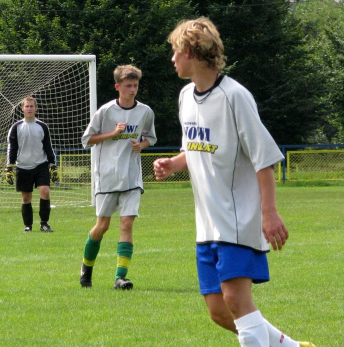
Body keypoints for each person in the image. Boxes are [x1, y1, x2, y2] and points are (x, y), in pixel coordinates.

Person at [153, 17, 314, 347]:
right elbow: (194, 150)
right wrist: (173, 163)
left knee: (237, 302)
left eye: (175, 50)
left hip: (239, 219)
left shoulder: (234, 96)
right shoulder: (185, 97)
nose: (172, 58)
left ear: (192, 52)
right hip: (207, 224)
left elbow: (264, 158)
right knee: (218, 311)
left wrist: (269, 214)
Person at [79, 65, 157, 290]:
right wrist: (113, 133)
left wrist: (141, 144)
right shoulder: (105, 112)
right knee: (101, 226)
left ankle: (120, 278)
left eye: (136, 85)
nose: (133, 90)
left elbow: (150, 137)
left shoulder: (145, 111)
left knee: (127, 224)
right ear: (118, 87)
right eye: (128, 86)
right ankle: (86, 268)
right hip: (107, 177)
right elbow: (87, 139)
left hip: (132, 177)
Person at [5, 96, 59, 233]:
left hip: (41, 165)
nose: (29, 108)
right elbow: (12, 148)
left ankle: (44, 224)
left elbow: (48, 146)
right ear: (22, 108)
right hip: (23, 166)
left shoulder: (42, 126)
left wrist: (52, 165)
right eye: (27, 106)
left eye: (31, 106)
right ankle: (28, 225)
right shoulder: (16, 127)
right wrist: (9, 166)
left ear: (36, 108)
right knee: (26, 197)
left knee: (45, 192)